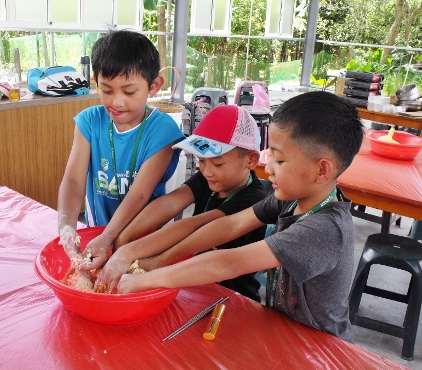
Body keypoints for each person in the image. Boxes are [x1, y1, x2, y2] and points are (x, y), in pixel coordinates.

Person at [117, 91, 364, 342]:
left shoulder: (323, 230)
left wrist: (146, 280)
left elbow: (229, 262)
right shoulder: (292, 198)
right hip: (287, 330)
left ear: (321, 169)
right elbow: (231, 224)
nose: (268, 169)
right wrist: (154, 259)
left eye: (279, 160)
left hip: (322, 348)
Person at [97, 105, 267, 300]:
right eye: (201, 161)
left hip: (232, 297)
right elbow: (169, 204)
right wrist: (123, 239)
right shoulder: (210, 179)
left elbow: (195, 225)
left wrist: (134, 254)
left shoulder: (254, 198)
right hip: (195, 284)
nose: (206, 171)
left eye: (217, 163)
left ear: (251, 160)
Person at [57, 30, 185, 269]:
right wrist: (67, 227)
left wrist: (110, 236)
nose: (116, 102)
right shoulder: (89, 122)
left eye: (128, 92)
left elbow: (140, 194)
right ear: (96, 81)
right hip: (97, 233)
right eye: (106, 90)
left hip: (144, 242)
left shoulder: (162, 131)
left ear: (154, 85)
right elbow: (73, 181)